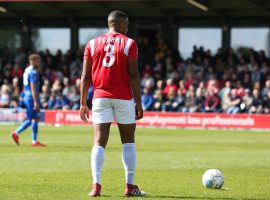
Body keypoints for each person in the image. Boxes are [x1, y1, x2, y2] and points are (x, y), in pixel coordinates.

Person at [80, 10, 146, 197]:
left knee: (99, 141)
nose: (127, 28)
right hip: (123, 97)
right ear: (121, 24)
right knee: (128, 141)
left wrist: (82, 103)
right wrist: (139, 102)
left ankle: (96, 185)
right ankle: (130, 186)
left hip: (99, 96)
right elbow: (133, 74)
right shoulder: (129, 43)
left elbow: (85, 76)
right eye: (127, 25)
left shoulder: (92, 44)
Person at [11, 54, 46, 147]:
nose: (39, 63)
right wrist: (35, 101)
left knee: (31, 119)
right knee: (35, 118)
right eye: (37, 61)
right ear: (32, 61)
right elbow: (33, 87)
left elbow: (24, 85)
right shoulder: (33, 72)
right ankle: (34, 141)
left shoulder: (26, 70)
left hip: (26, 96)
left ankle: (16, 133)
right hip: (31, 97)